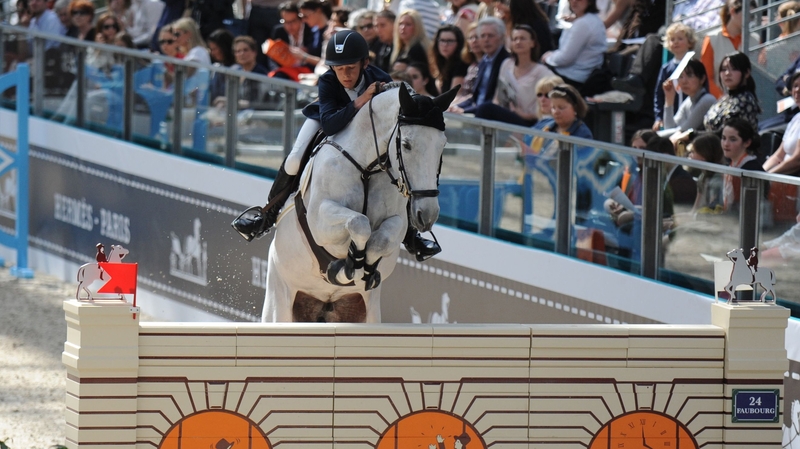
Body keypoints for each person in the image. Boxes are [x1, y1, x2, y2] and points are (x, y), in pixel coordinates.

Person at [235, 30, 442, 261]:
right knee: (294, 160)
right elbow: (332, 124)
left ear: (365, 63)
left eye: (351, 67)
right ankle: (267, 214)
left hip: (364, 133)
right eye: (339, 68)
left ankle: (411, 235)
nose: (345, 74)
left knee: (396, 164)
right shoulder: (327, 80)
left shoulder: (380, 76)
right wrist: (362, 100)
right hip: (326, 120)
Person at [475, 24, 553, 126]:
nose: (518, 42)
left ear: (532, 43)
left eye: (522, 38)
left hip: (528, 121)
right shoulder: (506, 64)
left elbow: (550, 107)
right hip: (507, 113)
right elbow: (497, 97)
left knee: (485, 108)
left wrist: (526, 115)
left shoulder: (543, 72)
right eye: (515, 39)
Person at [539, 0, 606, 90]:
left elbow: (565, 58)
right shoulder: (592, 19)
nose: (574, 1)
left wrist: (547, 58)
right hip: (578, 74)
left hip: (573, 77)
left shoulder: (584, 23)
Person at [700, 0, 760, 99]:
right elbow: (707, 77)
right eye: (746, 14)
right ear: (732, 11)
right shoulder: (712, 38)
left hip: (747, 100)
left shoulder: (756, 40)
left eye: (752, 16)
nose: (749, 19)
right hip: (717, 101)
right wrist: (721, 99)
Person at [448, 16, 508, 114]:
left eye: (490, 35)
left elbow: (494, 102)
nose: (486, 40)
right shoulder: (483, 62)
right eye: (483, 36)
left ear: (501, 37)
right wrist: (455, 107)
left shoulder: (506, 62)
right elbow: (475, 98)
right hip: (477, 112)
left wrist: (464, 111)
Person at [652, 23, 697, 131]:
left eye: (680, 38)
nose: (675, 42)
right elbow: (659, 95)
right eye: (672, 39)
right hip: (672, 116)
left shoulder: (695, 66)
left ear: (689, 42)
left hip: (691, 115)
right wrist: (658, 117)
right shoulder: (666, 68)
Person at [703, 52, 760, 134]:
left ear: (747, 73)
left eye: (734, 68)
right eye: (724, 69)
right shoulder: (723, 99)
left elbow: (724, 133)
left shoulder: (745, 100)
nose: (727, 73)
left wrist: (692, 134)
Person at [721, 117, 764, 212]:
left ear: (747, 142)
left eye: (733, 139)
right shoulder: (729, 164)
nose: (726, 144)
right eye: (723, 138)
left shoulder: (751, 169)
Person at [661, 59, 716, 133]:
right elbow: (669, 128)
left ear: (702, 79)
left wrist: (656, 136)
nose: (684, 81)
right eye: (681, 76)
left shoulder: (707, 100)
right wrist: (669, 99)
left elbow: (683, 131)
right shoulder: (688, 101)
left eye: (690, 75)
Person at [763, 72, 800, 176]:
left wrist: (769, 176)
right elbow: (778, 156)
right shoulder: (795, 119)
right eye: (795, 86)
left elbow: (797, 160)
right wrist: (761, 174)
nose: (797, 90)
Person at [687, 132, 725, 214]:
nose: (690, 155)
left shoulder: (717, 181)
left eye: (693, 152)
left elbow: (711, 212)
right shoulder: (703, 176)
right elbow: (694, 211)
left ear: (704, 155)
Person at [430, 25, 468, 95]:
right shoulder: (442, 63)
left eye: (450, 41)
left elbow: (454, 95)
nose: (445, 44)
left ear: (459, 43)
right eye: (442, 40)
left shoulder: (461, 64)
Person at [207, 28, 236, 103]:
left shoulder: (239, 68)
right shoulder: (216, 68)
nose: (212, 53)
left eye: (215, 49)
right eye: (211, 49)